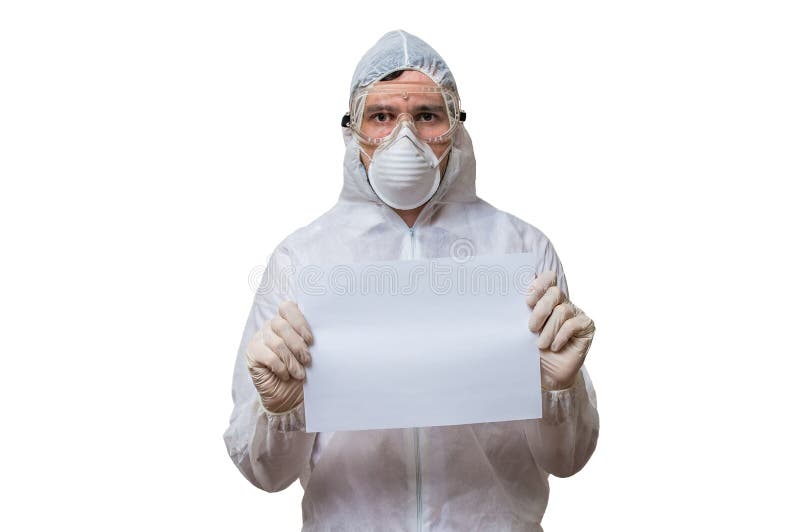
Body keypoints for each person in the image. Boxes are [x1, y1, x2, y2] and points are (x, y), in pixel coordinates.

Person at [223, 30, 599, 531]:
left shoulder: (520, 250)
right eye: (381, 116)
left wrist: (560, 390)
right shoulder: (303, 259)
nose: (405, 137)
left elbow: (568, 459)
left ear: (456, 127)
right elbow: (264, 473)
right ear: (353, 129)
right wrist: (279, 411)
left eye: (427, 116)